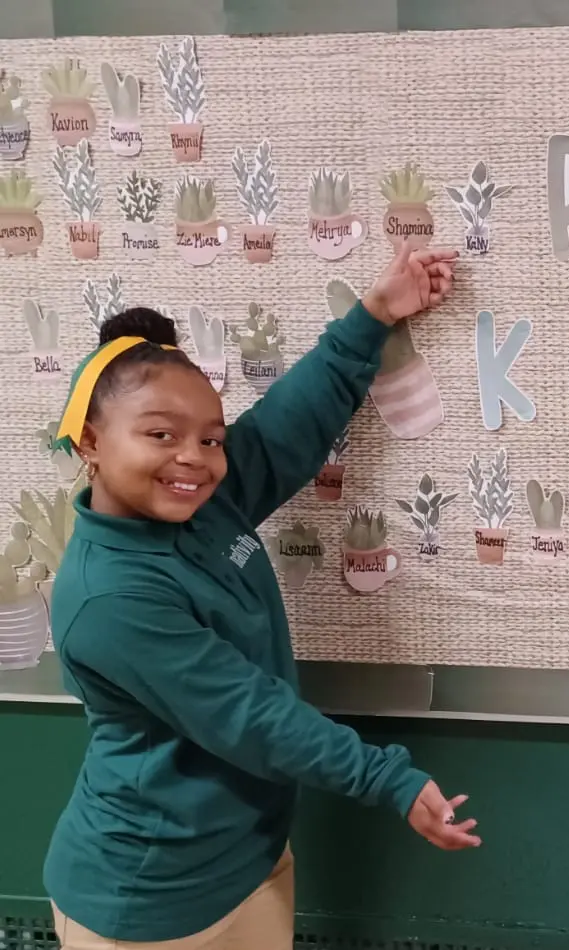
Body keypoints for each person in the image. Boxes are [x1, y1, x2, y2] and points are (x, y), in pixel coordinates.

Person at [43, 241, 482, 950]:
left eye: (211, 438)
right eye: (161, 434)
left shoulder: (197, 502)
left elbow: (286, 426)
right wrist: (387, 780)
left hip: (248, 862)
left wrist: (372, 314)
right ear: (90, 440)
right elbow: (250, 714)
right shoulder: (109, 599)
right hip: (148, 904)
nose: (194, 458)